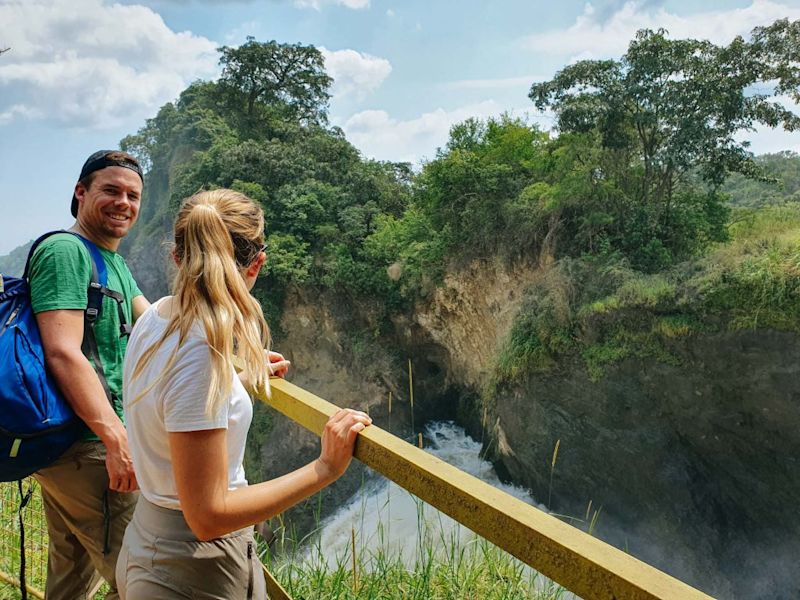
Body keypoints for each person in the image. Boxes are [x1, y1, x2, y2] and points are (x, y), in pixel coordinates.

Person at [117, 189, 371, 599]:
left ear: (178, 256)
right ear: (258, 263)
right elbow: (208, 515)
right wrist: (325, 468)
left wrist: (234, 374)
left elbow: (173, 391)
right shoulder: (198, 354)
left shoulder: (157, 317)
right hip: (191, 570)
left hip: (149, 543)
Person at [30, 150, 150, 599]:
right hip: (88, 448)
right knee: (144, 580)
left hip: (72, 447)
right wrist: (116, 439)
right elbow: (63, 352)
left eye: (133, 195)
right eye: (111, 191)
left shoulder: (113, 262)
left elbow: (158, 327)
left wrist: (239, 355)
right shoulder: (67, 252)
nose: (124, 203)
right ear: (81, 193)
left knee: (70, 577)